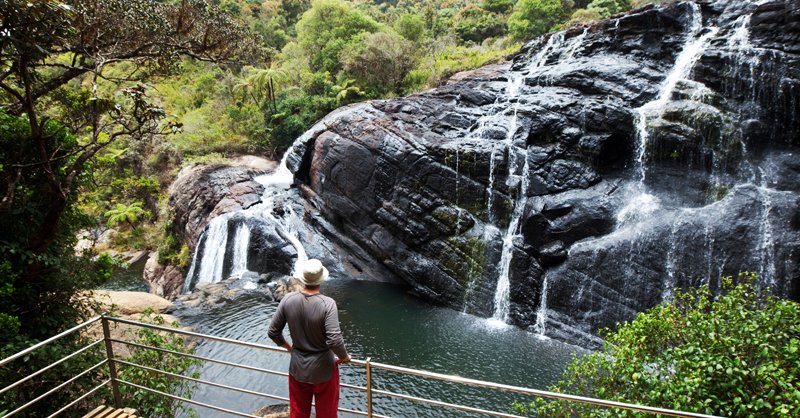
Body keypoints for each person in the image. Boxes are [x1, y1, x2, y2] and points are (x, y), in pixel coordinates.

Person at [268, 258, 351, 418]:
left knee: (298, 414)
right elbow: (334, 340)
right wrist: (344, 357)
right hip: (324, 369)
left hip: (298, 367)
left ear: (303, 279)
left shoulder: (287, 300)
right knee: (327, 415)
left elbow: (273, 332)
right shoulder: (328, 304)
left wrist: (289, 348)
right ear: (321, 279)